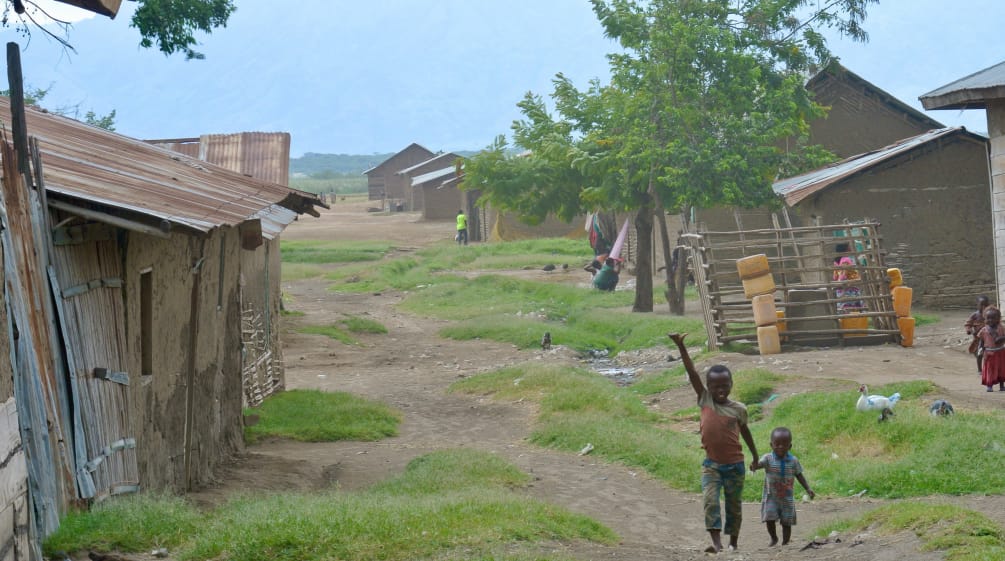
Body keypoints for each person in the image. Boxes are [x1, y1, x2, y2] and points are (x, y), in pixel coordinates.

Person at [669, 333, 760, 554]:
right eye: (715, 386)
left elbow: (745, 432)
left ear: (731, 384)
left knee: (733, 506)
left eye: (725, 385)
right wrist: (681, 347)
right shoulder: (705, 399)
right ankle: (717, 543)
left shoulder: (739, 409)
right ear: (708, 387)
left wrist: (756, 457)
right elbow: (692, 374)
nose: (721, 390)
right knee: (710, 501)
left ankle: (733, 543)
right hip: (711, 465)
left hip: (735, 465)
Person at [753, 427, 814, 546]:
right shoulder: (768, 458)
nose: (780, 447)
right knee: (769, 519)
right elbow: (759, 465)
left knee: (787, 522)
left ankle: (785, 542)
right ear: (771, 445)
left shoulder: (793, 461)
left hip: (787, 498)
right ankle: (774, 538)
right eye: (777, 444)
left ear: (790, 446)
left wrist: (808, 488)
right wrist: (754, 466)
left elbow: (799, 475)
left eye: (784, 444)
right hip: (771, 497)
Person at [977, 306, 1005, 392]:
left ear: (998, 318)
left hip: (1001, 352)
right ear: (985, 318)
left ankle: (1002, 385)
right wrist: (980, 349)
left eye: (993, 318)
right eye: (988, 318)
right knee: (990, 369)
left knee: (1002, 369)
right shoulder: (984, 330)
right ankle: (989, 385)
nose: (990, 320)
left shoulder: (1001, 327)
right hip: (989, 353)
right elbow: (981, 341)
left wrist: (1002, 338)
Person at [966, 295, 991, 374]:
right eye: (981, 305)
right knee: (979, 354)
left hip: (988, 338)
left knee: (990, 354)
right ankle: (980, 369)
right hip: (978, 339)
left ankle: (990, 368)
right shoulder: (975, 315)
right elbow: (968, 324)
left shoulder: (990, 314)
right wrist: (969, 330)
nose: (984, 307)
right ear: (977, 305)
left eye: (986, 305)